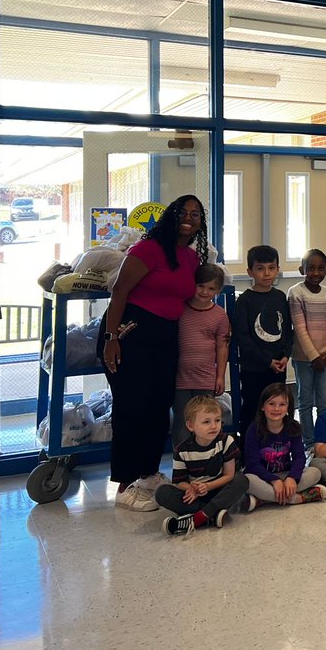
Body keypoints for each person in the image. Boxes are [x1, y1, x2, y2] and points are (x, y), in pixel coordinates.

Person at [99, 194, 209, 511]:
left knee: (158, 407)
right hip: (130, 332)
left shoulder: (189, 258)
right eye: (183, 212)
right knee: (131, 408)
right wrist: (110, 338)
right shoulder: (148, 249)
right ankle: (124, 485)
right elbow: (119, 291)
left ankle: (147, 474)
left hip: (165, 336)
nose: (189, 217)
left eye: (196, 214)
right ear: (170, 217)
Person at [155, 395, 248, 536]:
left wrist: (209, 487)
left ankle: (199, 517)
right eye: (206, 422)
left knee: (241, 480)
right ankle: (211, 513)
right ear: (191, 426)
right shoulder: (181, 450)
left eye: (217, 420)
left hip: (218, 489)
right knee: (162, 493)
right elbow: (180, 482)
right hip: (196, 495)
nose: (213, 426)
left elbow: (229, 475)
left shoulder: (226, 441)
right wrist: (191, 489)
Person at [232, 245, 293, 433]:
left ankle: (276, 451)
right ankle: (247, 453)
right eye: (260, 268)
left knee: (277, 409)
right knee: (252, 409)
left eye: (271, 268)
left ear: (278, 269)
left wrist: (286, 356)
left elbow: (287, 331)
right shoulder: (244, 301)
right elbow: (243, 337)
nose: (267, 273)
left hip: (278, 368)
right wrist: (267, 361)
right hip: (253, 369)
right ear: (250, 271)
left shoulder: (280, 297)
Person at [241, 383, 326, 509]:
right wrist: (274, 480)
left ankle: (264, 500)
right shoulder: (254, 429)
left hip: (286, 474)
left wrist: (292, 478)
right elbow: (252, 464)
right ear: (262, 407)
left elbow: (299, 458)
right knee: (247, 480)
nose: (277, 409)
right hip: (263, 477)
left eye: (282, 404)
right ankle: (297, 498)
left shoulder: (293, 427)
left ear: (288, 407)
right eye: (271, 404)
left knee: (315, 472)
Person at [171, 263, 229, 447]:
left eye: (211, 288)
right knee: (182, 421)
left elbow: (222, 347)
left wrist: (220, 376)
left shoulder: (220, 315)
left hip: (205, 378)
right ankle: (182, 466)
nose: (205, 292)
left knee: (206, 421)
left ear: (218, 290)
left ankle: (204, 462)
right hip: (180, 379)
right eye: (200, 286)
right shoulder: (179, 309)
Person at [287, 248, 326, 449]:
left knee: (325, 402)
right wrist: (313, 356)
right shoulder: (296, 292)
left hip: (325, 358)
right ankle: (308, 443)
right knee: (306, 401)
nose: (316, 273)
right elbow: (299, 328)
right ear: (302, 269)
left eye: (321, 268)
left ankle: (324, 441)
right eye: (311, 268)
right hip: (303, 358)